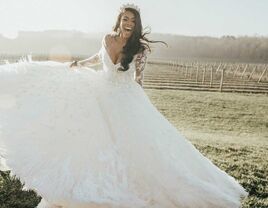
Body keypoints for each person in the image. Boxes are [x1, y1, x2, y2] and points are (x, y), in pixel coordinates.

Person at [0, 3, 248, 208]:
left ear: (136, 25)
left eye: (133, 21)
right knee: (86, 130)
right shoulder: (107, 38)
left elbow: (139, 78)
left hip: (125, 96)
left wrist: (139, 101)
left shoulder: (138, 49)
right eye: (126, 19)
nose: (129, 23)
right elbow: (99, 57)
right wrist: (80, 64)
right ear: (119, 20)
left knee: (137, 145)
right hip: (101, 90)